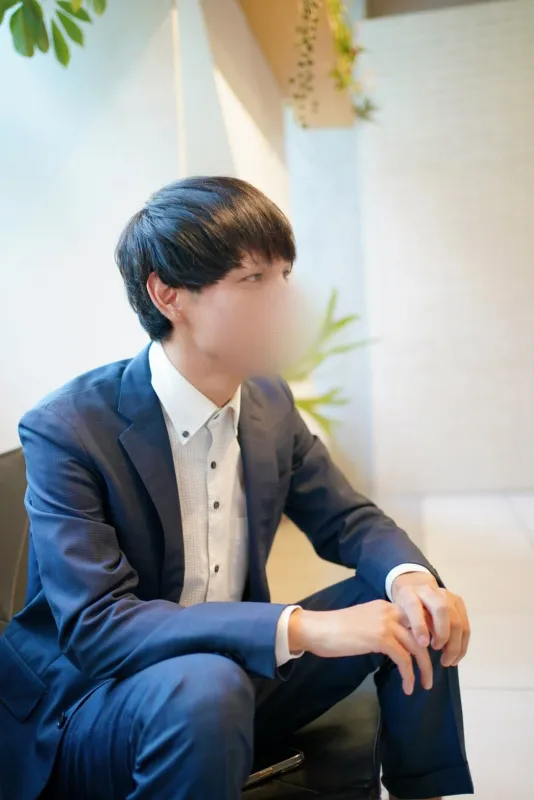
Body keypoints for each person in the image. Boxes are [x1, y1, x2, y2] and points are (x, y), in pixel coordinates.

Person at [0, 177, 474, 800]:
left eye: (284, 276)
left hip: (229, 674)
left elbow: (348, 519)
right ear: (169, 295)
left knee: (412, 601)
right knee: (207, 686)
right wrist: (302, 628)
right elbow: (99, 626)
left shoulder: (267, 402)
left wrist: (411, 580)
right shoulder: (69, 427)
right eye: (254, 280)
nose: (285, 301)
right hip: (97, 701)